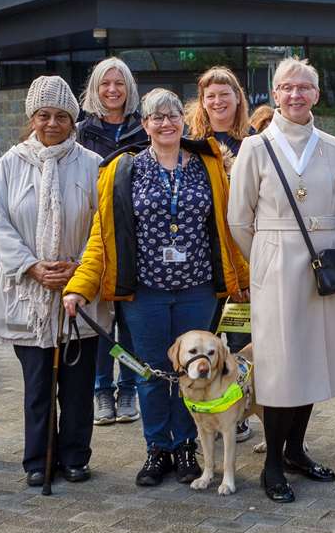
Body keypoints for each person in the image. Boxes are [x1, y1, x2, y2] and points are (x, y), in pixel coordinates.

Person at [64, 88, 249, 488]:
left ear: (184, 120)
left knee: (195, 371)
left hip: (197, 290)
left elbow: (229, 229)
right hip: (145, 293)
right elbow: (102, 236)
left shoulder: (208, 163)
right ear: (144, 124)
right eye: (156, 117)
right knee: (151, 374)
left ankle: (185, 446)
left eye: (173, 116)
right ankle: (156, 448)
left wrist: (245, 280)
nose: (166, 123)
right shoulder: (122, 170)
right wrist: (79, 286)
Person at [228, 57, 335, 502]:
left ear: (316, 95)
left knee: (311, 359)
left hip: (322, 261)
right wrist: (266, 259)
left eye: (304, 87)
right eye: (287, 87)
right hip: (276, 263)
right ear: (275, 93)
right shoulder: (256, 147)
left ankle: (296, 451)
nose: (296, 95)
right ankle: (271, 463)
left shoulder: (333, 145)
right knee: (281, 366)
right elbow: (239, 219)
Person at [0, 75, 108, 488]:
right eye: (43, 115)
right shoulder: (10, 163)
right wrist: (32, 266)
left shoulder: (91, 164)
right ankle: (38, 458)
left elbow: (100, 225)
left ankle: (74, 456)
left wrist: (76, 268)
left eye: (61, 116)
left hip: (77, 290)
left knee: (76, 386)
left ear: (73, 119)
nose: (52, 123)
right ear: (31, 118)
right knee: (38, 386)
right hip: (28, 292)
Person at [185, 64, 258, 444]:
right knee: (207, 336)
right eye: (209, 96)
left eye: (224, 95)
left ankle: (238, 410)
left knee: (237, 339)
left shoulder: (255, 141)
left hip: (244, 253)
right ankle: (203, 412)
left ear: (237, 99)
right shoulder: (190, 142)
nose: (217, 102)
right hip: (204, 257)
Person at [76, 58, 143, 428]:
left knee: (131, 320)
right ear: (96, 89)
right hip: (96, 236)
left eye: (119, 83)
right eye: (106, 84)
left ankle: (129, 385)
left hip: (135, 238)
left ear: (129, 88)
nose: (113, 90)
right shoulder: (81, 131)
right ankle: (102, 390)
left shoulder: (142, 129)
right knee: (102, 321)